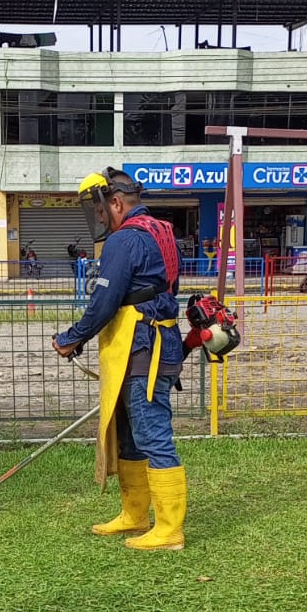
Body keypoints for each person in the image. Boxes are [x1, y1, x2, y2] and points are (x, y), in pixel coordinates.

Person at [52, 168, 187, 551]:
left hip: (143, 347)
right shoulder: (163, 232)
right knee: (129, 435)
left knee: (152, 435)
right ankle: (135, 515)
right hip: (156, 342)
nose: (98, 218)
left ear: (114, 202)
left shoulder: (123, 240)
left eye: (99, 210)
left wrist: (71, 338)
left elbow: (104, 302)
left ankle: (169, 530)